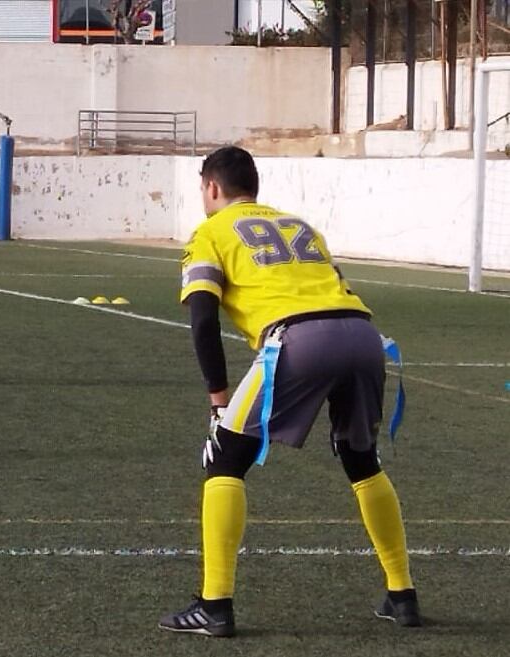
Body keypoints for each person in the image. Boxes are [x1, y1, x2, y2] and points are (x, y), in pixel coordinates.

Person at [158, 146, 418, 637]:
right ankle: (402, 594)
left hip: (299, 339)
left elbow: (203, 319)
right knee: (362, 460)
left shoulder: (210, 232)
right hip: (365, 335)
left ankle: (215, 605)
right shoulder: (301, 226)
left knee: (225, 459)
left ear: (211, 187)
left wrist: (218, 399)